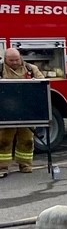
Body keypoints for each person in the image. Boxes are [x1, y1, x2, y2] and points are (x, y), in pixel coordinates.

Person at [0, 46, 44, 176]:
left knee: (27, 139)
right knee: (4, 140)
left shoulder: (31, 69)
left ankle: (25, 164)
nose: (14, 62)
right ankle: (2, 167)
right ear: (5, 59)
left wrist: (36, 83)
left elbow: (44, 85)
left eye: (16, 59)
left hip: (27, 111)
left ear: (21, 58)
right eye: (11, 60)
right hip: (6, 111)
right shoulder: (0, 69)